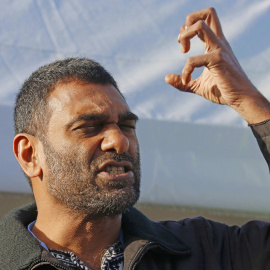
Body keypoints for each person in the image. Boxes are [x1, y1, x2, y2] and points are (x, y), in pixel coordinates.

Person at [1, 7, 270, 270]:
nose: (119, 141)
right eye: (89, 127)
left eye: (127, 125)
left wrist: (249, 101)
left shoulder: (208, 249)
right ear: (30, 154)